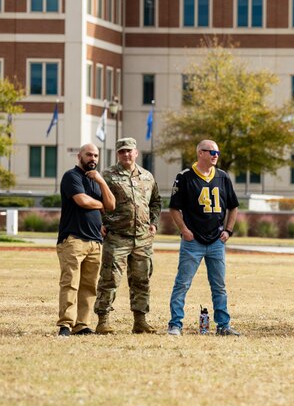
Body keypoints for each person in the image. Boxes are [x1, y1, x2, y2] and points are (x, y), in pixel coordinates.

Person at [168, 139, 242, 336]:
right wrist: (184, 230)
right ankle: (175, 324)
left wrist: (228, 230)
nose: (215, 155)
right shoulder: (184, 177)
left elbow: (233, 206)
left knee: (219, 286)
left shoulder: (223, 177)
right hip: (193, 242)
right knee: (182, 284)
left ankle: (223, 325)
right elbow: (174, 208)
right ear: (200, 153)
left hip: (216, 241)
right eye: (211, 152)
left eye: (217, 152)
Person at [94, 138, 162, 334]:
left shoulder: (147, 176)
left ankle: (140, 321)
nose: (126, 154)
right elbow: (96, 200)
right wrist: (100, 223)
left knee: (142, 280)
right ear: (117, 154)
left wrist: (153, 223)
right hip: (117, 237)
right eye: (122, 151)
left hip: (142, 239)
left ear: (136, 153)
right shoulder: (107, 175)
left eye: (129, 151)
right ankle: (103, 321)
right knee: (109, 279)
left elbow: (156, 202)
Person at [57, 144, 115, 336]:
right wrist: (101, 205)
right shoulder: (71, 176)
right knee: (70, 283)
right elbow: (82, 201)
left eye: (96, 155)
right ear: (79, 156)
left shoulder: (95, 180)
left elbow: (112, 204)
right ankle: (66, 324)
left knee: (89, 286)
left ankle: (82, 324)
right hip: (73, 239)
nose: (93, 158)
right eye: (89, 154)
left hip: (95, 241)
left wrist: (101, 181)